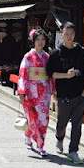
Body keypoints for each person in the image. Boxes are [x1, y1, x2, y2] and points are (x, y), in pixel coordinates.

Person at [46, 21, 84, 164]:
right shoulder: (56, 53)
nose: (69, 36)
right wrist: (66, 75)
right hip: (64, 95)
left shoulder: (82, 52)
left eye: (72, 33)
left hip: (79, 95)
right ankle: (59, 139)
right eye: (67, 33)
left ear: (75, 34)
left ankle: (73, 151)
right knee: (62, 123)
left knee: (77, 125)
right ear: (62, 34)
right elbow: (50, 73)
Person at [18, 29, 55, 157]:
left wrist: (53, 90)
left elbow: (51, 76)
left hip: (44, 93)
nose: (40, 42)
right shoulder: (28, 57)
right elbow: (23, 75)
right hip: (31, 93)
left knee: (43, 119)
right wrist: (22, 92)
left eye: (43, 39)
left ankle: (36, 141)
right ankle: (38, 144)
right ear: (33, 41)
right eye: (38, 39)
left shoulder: (47, 57)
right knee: (32, 118)